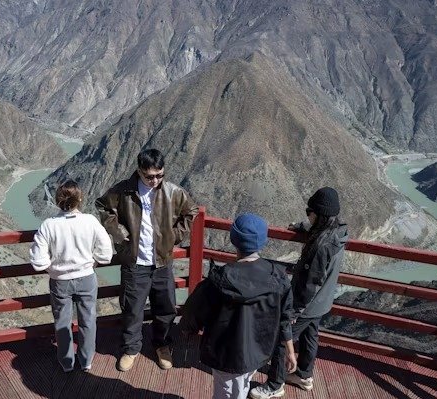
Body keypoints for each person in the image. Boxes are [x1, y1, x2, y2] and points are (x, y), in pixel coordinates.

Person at [95, 148, 198, 371]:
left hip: (162, 262)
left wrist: (174, 236)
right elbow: (103, 207)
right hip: (135, 263)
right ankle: (131, 349)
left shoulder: (173, 192)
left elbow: (191, 212)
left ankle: (162, 345)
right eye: (150, 176)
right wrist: (120, 233)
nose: (155, 180)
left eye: (160, 175)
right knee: (132, 308)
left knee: (166, 307)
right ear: (139, 171)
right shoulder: (124, 191)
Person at [180, 213, 297, 399]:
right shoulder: (278, 278)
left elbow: (193, 311)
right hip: (257, 352)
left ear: (234, 240)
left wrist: (188, 329)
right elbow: (285, 318)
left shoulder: (218, 281)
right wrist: (290, 351)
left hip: (224, 353)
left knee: (226, 392)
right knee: (242, 383)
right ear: (262, 241)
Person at [249, 187, 348, 398]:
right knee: (311, 335)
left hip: (308, 303)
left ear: (319, 216)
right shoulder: (337, 232)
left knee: (281, 340)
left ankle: (275, 385)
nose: (307, 214)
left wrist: (295, 311)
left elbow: (310, 283)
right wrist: (302, 226)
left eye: (308, 212)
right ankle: (304, 375)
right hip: (323, 301)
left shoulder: (322, 246)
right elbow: (317, 229)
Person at [29, 180, 113, 373]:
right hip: (86, 278)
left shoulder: (48, 226)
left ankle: (67, 362)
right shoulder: (90, 221)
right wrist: (94, 262)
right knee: (88, 320)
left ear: (58, 200)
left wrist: (53, 269)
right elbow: (105, 252)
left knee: (62, 322)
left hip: (60, 282)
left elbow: (38, 261)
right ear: (80, 199)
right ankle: (86, 360)